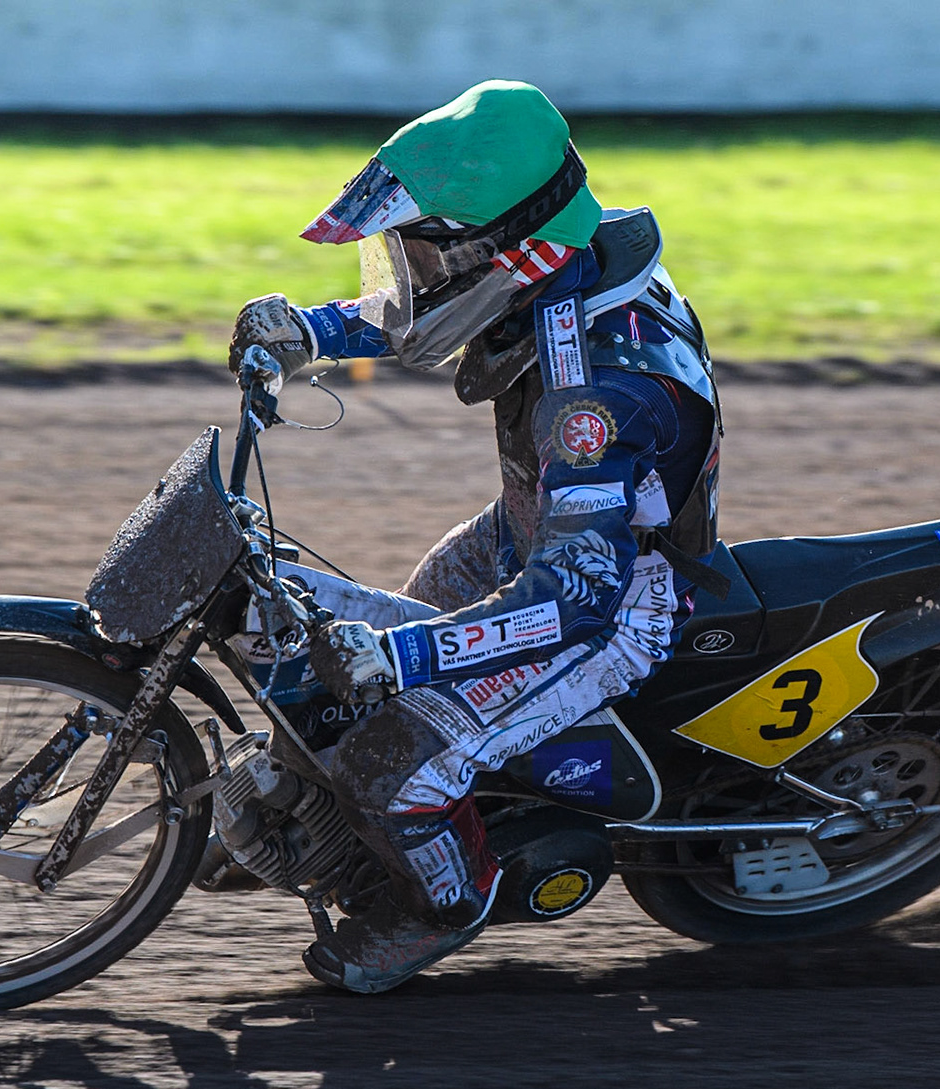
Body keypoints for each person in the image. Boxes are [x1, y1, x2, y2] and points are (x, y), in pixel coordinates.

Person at [227, 80, 723, 994]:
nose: (405, 276)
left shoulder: (594, 397)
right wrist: (306, 332)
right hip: (533, 529)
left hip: (612, 605)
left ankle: (439, 909)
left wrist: (405, 658)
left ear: (510, 253)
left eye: (419, 255)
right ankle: (367, 817)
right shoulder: (575, 255)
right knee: (370, 670)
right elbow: (434, 311)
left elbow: (576, 603)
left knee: (394, 752)